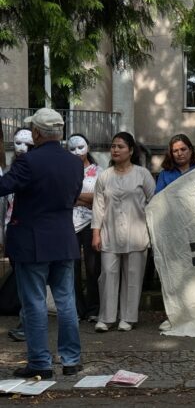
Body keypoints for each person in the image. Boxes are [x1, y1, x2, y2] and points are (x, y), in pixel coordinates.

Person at [0, 108, 84, 378]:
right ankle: (71, 360)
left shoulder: (28, 161)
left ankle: (40, 363)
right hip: (64, 239)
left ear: (36, 133)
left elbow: (4, 186)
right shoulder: (74, 163)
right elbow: (73, 197)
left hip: (32, 241)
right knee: (66, 302)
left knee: (34, 303)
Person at [92, 132, 155, 332]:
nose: (116, 150)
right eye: (113, 146)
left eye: (120, 146)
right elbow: (98, 207)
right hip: (109, 233)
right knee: (107, 274)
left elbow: (154, 202)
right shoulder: (105, 176)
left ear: (131, 150)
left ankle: (128, 317)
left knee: (133, 276)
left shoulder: (142, 174)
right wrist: (96, 233)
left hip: (137, 233)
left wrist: (152, 231)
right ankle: (106, 317)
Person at [154, 134, 195, 331]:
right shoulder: (165, 175)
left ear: (191, 150)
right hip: (172, 232)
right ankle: (174, 316)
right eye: (175, 151)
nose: (179, 153)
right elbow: (158, 202)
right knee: (174, 275)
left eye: (183, 149)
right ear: (170, 153)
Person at [0, 128, 35, 341]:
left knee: (30, 282)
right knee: (21, 281)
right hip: (11, 230)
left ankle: (27, 324)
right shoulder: (8, 171)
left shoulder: (36, 169)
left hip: (29, 233)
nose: (21, 148)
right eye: (17, 143)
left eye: (27, 144)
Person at [67, 134, 102, 321]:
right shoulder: (64, 171)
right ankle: (77, 309)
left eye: (80, 147)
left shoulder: (99, 171)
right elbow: (63, 195)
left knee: (93, 268)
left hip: (91, 224)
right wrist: (86, 199)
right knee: (72, 268)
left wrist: (76, 197)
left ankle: (94, 309)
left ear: (88, 147)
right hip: (69, 225)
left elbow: (100, 197)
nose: (77, 152)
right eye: (72, 149)